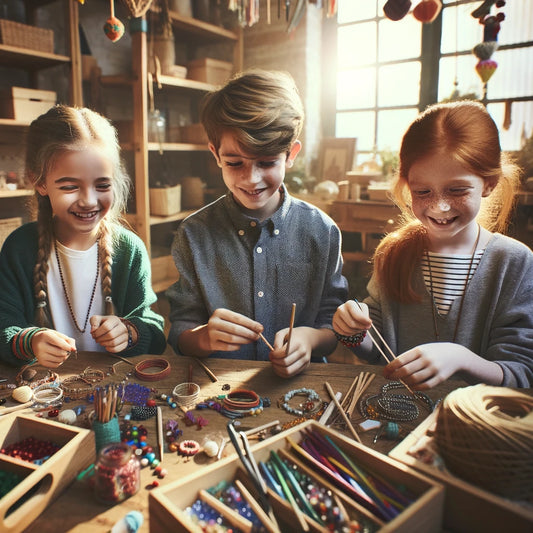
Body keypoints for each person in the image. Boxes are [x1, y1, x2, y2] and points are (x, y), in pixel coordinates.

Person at [333, 100, 533, 389]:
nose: (439, 207)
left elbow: (522, 373)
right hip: (400, 417)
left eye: (457, 190)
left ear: (489, 183)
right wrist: (352, 330)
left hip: (474, 426)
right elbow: (376, 350)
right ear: (406, 186)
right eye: (422, 191)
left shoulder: (515, 263)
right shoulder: (394, 253)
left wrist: (461, 358)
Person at [166, 69, 348, 377]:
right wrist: (204, 337)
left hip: (302, 389)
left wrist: (310, 338)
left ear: (291, 154)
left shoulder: (322, 231)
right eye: (235, 163)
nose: (251, 179)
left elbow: (332, 323)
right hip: (219, 390)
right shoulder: (194, 234)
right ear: (216, 155)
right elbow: (181, 332)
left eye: (266, 162)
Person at [0, 105, 166, 368]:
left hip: (113, 388)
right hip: (44, 395)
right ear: (39, 181)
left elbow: (155, 332)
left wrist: (129, 332)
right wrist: (31, 341)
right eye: (69, 186)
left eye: (102, 185)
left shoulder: (130, 249)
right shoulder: (19, 248)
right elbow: (3, 326)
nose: (89, 201)